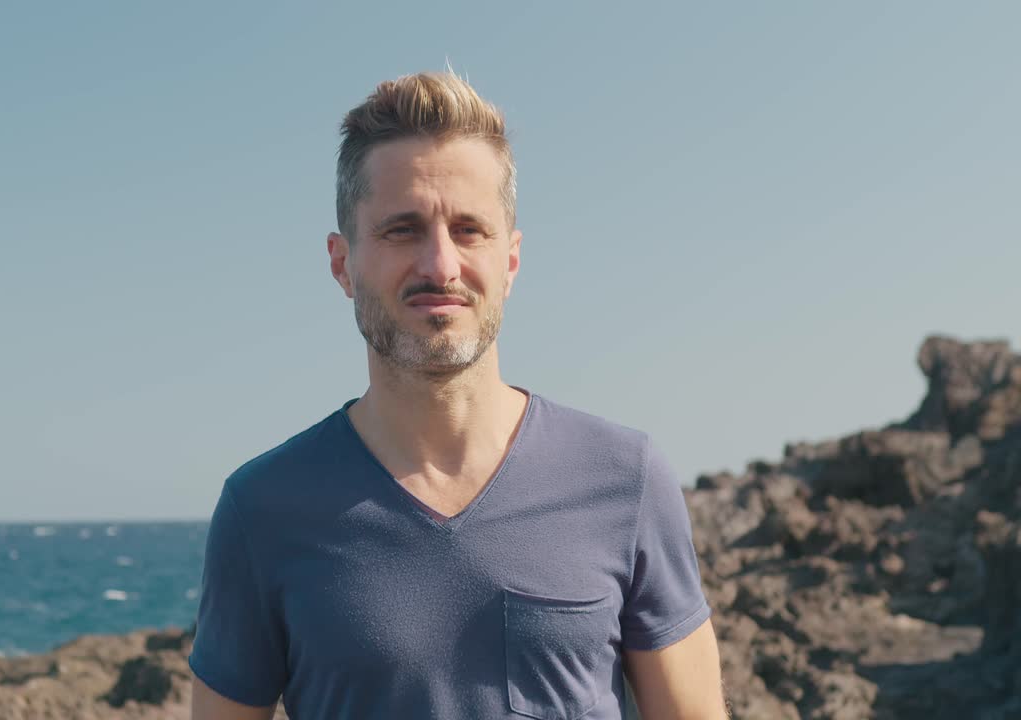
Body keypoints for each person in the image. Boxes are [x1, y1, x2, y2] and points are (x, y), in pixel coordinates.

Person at [188, 71, 727, 720]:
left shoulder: (626, 478)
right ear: (342, 263)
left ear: (511, 260)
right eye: (402, 230)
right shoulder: (263, 509)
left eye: (469, 229)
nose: (440, 265)